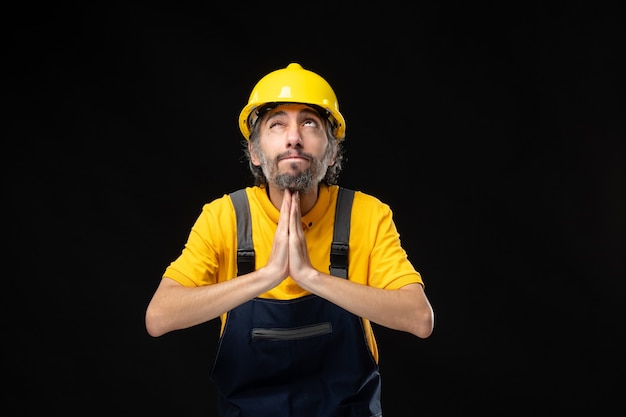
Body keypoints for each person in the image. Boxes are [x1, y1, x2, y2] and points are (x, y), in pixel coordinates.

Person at [145, 62, 435, 417]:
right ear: (254, 152)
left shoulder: (366, 214)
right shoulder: (224, 217)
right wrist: (267, 275)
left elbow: (420, 319)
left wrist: (310, 276)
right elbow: (158, 317)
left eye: (309, 123)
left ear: (330, 153)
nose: (293, 136)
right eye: (277, 124)